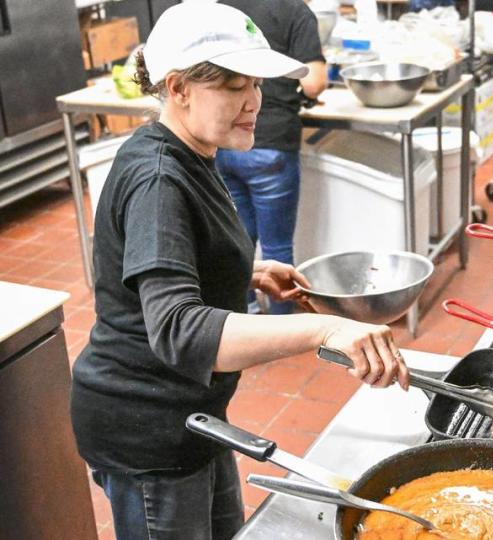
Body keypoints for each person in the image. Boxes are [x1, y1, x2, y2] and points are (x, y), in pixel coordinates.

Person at [69, 4, 409, 539]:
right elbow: (179, 331)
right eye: (233, 87)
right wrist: (327, 328)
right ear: (178, 88)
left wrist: (248, 272)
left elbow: (173, 257)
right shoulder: (158, 177)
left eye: (255, 84)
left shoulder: (191, 151)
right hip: (147, 429)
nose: (255, 102)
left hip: (195, 416)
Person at [215, 0, 328, 314]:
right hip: (272, 143)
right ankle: (280, 329)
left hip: (226, 141)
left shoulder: (225, 8)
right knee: (277, 250)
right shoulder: (295, 11)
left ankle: (245, 313)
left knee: (239, 240)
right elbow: (314, 82)